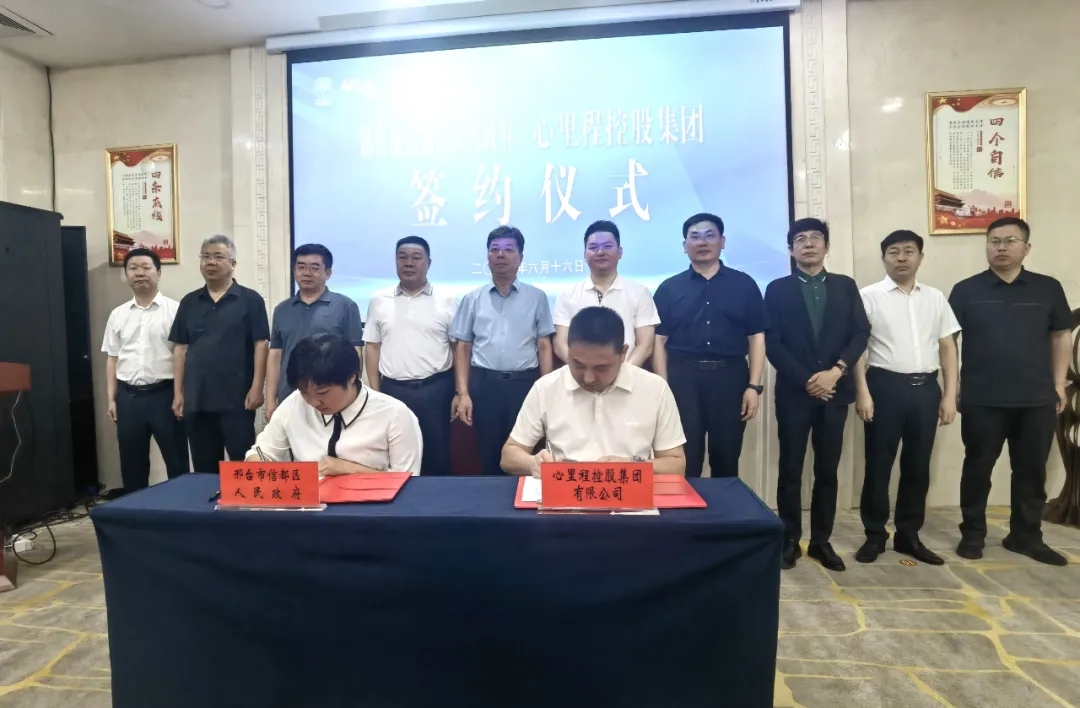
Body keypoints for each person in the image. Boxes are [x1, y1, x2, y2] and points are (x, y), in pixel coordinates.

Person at [949, 217, 1073, 566]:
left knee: (1031, 472)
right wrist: (953, 385)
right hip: (982, 398)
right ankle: (972, 535)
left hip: (1035, 398)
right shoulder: (966, 290)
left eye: (1010, 241)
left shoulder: (1047, 288)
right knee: (977, 469)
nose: (1001, 248)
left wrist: (1058, 383)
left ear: (1026, 248)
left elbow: (1061, 335)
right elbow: (948, 340)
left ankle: (1025, 536)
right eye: (994, 241)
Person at [764, 218, 870, 572]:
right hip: (794, 394)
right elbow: (772, 342)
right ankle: (789, 540)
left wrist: (836, 371)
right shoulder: (777, 289)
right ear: (790, 249)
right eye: (800, 239)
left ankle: (821, 541)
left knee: (827, 470)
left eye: (815, 238)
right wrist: (808, 380)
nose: (808, 244)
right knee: (790, 470)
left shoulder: (845, 286)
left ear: (826, 246)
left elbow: (860, 332)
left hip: (835, 392)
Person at [853, 230, 960, 566]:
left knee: (917, 465)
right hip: (884, 387)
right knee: (878, 465)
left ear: (920, 257)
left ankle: (908, 535)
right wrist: (862, 392)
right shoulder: (868, 296)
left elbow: (947, 347)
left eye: (909, 251)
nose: (901, 258)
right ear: (883, 258)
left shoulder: (935, 297)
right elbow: (857, 349)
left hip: (926, 388)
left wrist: (950, 395)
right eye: (894, 252)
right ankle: (874, 535)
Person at [501, 307, 686, 476]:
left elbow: (676, 464)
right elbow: (509, 455)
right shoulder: (546, 387)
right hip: (566, 492)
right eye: (578, 365)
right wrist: (533, 463)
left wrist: (632, 465)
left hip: (630, 493)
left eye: (601, 368)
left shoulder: (654, 388)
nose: (588, 378)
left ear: (623, 353)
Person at [652, 212, 767, 478]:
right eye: (694, 237)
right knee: (684, 460)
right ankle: (686, 508)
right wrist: (663, 387)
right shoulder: (669, 288)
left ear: (722, 241)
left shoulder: (744, 284)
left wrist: (753, 386)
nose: (702, 242)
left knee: (726, 458)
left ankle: (722, 507)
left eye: (709, 235)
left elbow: (756, 337)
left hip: (730, 379)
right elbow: (659, 341)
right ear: (685, 246)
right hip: (683, 380)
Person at [449, 225, 555, 475]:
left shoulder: (537, 297)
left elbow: (544, 345)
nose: (500, 255)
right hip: (485, 385)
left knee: (524, 452)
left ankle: (521, 498)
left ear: (520, 257)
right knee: (488, 452)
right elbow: (463, 347)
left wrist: (549, 389)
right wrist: (463, 393)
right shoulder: (472, 299)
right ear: (487, 257)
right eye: (494, 249)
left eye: (508, 250)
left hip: (524, 385)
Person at [246, 333, 422, 474]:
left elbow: (408, 483)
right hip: (309, 505)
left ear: (352, 377)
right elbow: (259, 454)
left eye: (323, 392)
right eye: (304, 392)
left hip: (372, 507)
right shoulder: (294, 404)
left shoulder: (394, 414)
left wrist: (352, 470)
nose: (314, 402)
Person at [170, 235, 269, 473]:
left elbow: (261, 344)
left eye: (218, 256)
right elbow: (180, 349)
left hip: (237, 399)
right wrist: (178, 393)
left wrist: (257, 387)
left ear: (233, 263)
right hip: (197, 399)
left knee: (243, 467)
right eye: (205, 256)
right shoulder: (189, 302)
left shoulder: (250, 300)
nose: (210, 262)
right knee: (204, 470)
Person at [364, 236, 459, 475]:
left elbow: (457, 348)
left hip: (436, 389)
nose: (409, 263)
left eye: (416, 257)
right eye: (402, 257)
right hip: (394, 390)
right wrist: (376, 393)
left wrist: (460, 391)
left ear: (429, 263)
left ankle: (436, 498)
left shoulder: (447, 299)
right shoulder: (379, 300)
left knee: (437, 455)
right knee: (397, 456)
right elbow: (372, 347)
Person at [101, 248, 188, 493]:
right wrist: (112, 399)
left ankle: (181, 508)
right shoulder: (118, 315)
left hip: (166, 395)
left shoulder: (176, 311)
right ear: (126, 275)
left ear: (158, 273)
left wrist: (180, 394)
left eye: (146, 267)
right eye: (133, 268)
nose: (140, 273)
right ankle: (136, 512)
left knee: (177, 461)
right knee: (132, 464)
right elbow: (112, 358)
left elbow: (183, 355)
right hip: (128, 398)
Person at [265, 244, 364, 421]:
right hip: (290, 395)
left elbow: (355, 353)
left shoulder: (345, 306)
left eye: (315, 268)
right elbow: (275, 356)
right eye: (301, 267)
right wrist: (271, 400)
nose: (307, 273)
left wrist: (353, 395)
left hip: (331, 396)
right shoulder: (282, 309)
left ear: (328, 273)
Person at [553, 220, 659, 367]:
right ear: (584, 254)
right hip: (578, 376)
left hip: (627, 374)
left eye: (607, 246)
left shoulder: (639, 292)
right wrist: (582, 369)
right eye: (593, 247)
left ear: (620, 252)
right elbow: (560, 344)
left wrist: (622, 373)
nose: (600, 252)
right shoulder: (567, 295)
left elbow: (645, 345)